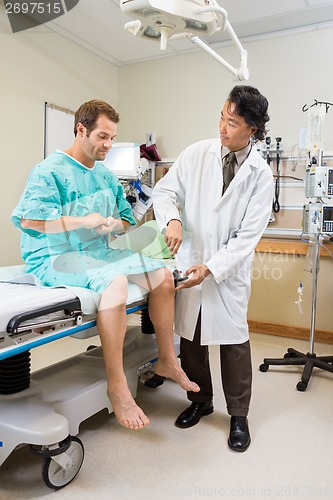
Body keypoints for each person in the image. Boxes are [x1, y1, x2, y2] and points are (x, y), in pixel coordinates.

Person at [11, 99, 199, 431]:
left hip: (95, 251)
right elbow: (32, 221)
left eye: (112, 137)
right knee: (117, 282)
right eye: (102, 136)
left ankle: (168, 360)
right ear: (80, 129)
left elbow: (127, 222)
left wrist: (115, 226)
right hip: (53, 256)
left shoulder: (104, 176)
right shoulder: (49, 170)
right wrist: (82, 220)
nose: (108, 145)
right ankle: (117, 387)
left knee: (161, 274)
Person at [152, 85, 273, 452]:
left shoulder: (260, 174)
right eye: (222, 115)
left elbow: (247, 236)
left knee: (234, 342)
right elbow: (164, 192)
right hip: (191, 258)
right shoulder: (197, 153)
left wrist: (213, 266)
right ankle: (200, 400)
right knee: (191, 337)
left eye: (232, 121)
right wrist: (171, 220)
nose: (222, 126)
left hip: (227, 270)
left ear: (252, 128)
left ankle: (238, 415)